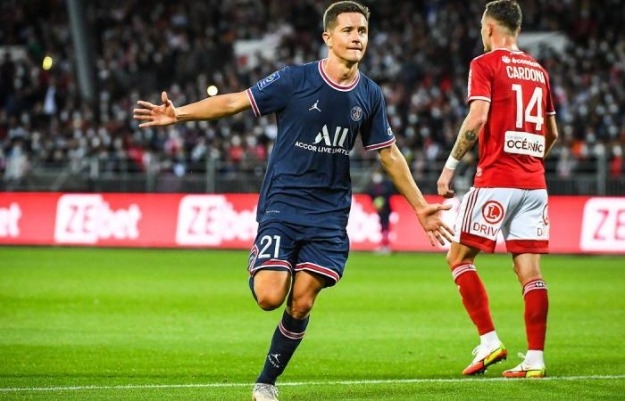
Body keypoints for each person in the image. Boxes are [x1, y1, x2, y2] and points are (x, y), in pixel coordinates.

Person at [134, 1, 454, 400]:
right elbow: (235, 101)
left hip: (329, 214)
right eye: (348, 30)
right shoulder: (294, 79)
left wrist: (420, 206)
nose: (357, 37)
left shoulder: (370, 94)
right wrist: (178, 114)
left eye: (362, 31)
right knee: (270, 297)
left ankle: (266, 382)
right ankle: (265, 262)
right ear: (328, 37)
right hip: (283, 204)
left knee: (301, 302)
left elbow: (388, 153)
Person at [436, 0, 558, 379]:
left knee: (458, 258)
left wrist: (449, 167)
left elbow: (477, 117)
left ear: (489, 28)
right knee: (530, 273)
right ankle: (535, 359)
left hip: (496, 180)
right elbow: (552, 133)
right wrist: (530, 162)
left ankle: (489, 341)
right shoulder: (539, 71)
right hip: (534, 185)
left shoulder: (484, 64)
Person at [366, 169, 395, 254]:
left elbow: (389, 194)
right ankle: (383, 245)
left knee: (386, 226)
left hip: (386, 209)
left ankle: (386, 245)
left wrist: (382, 203)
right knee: (382, 226)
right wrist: (376, 204)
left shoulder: (386, 186)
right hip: (380, 210)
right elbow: (370, 194)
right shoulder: (373, 187)